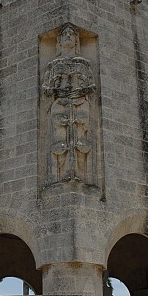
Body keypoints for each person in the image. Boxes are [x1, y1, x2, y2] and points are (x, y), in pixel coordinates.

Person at [42, 24, 96, 182]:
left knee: (81, 141)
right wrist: (58, 92)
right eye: (65, 34)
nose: (68, 36)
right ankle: (58, 178)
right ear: (59, 40)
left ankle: (82, 177)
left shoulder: (84, 63)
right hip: (60, 103)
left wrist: (81, 91)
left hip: (80, 103)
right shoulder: (53, 65)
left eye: (71, 34)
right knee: (59, 141)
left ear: (76, 40)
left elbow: (92, 87)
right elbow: (46, 87)